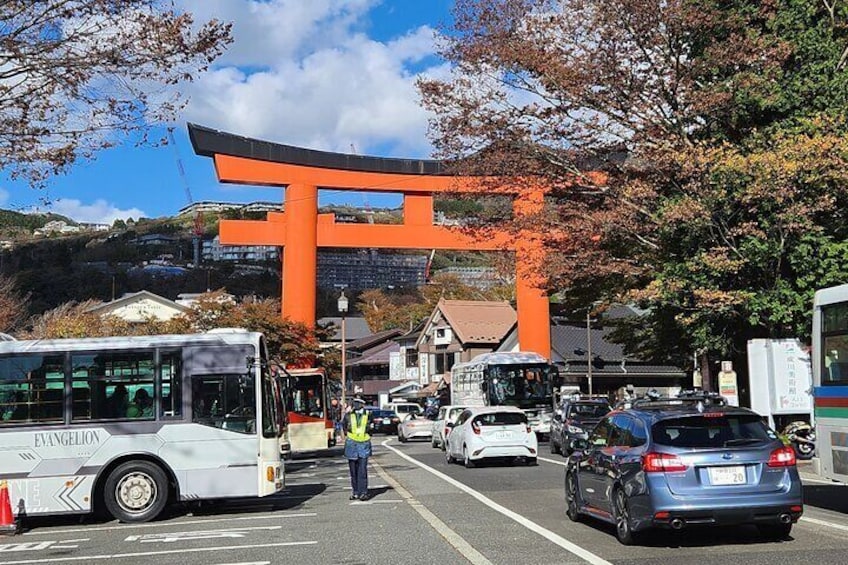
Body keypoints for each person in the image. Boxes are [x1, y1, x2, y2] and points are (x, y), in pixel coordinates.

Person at [343, 395, 372, 501]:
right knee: (353, 470)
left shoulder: (368, 415)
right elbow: (344, 426)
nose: (356, 404)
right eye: (355, 402)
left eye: (358, 402)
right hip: (351, 444)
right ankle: (355, 492)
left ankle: (363, 492)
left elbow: (371, 427)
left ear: (362, 404)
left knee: (362, 470)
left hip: (364, 444)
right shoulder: (348, 415)